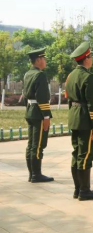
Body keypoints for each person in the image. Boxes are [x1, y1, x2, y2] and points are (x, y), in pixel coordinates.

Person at [66, 42, 93, 201]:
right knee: (85, 155)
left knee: (76, 153)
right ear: (85, 59)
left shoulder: (71, 75)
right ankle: (85, 191)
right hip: (85, 120)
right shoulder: (88, 76)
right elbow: (92, 104)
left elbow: (68, 99)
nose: (92, 58)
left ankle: (77, 189)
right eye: (90, 56)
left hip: (74, 118)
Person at [23, 48, 54, 183]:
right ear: (39, 60)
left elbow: (25, 95)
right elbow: (42, 98)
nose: (45, 61)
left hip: (30, 110)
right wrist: (46, 117)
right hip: (39, 112)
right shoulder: (40, 75)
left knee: (31, 144)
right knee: (38, 144)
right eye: (44, 59)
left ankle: (32, 174)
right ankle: (36, 174)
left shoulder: (28, 74)